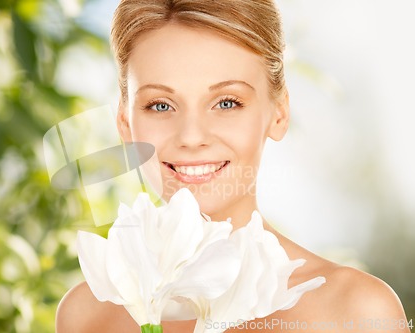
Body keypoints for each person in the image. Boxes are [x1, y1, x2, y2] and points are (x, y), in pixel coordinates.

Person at [56, 0, 410, 332]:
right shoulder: (88, 314)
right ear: (124, 122)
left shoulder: (355, 313)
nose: (192, 137)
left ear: (279, 113)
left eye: (226, 102)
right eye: (160, 105)